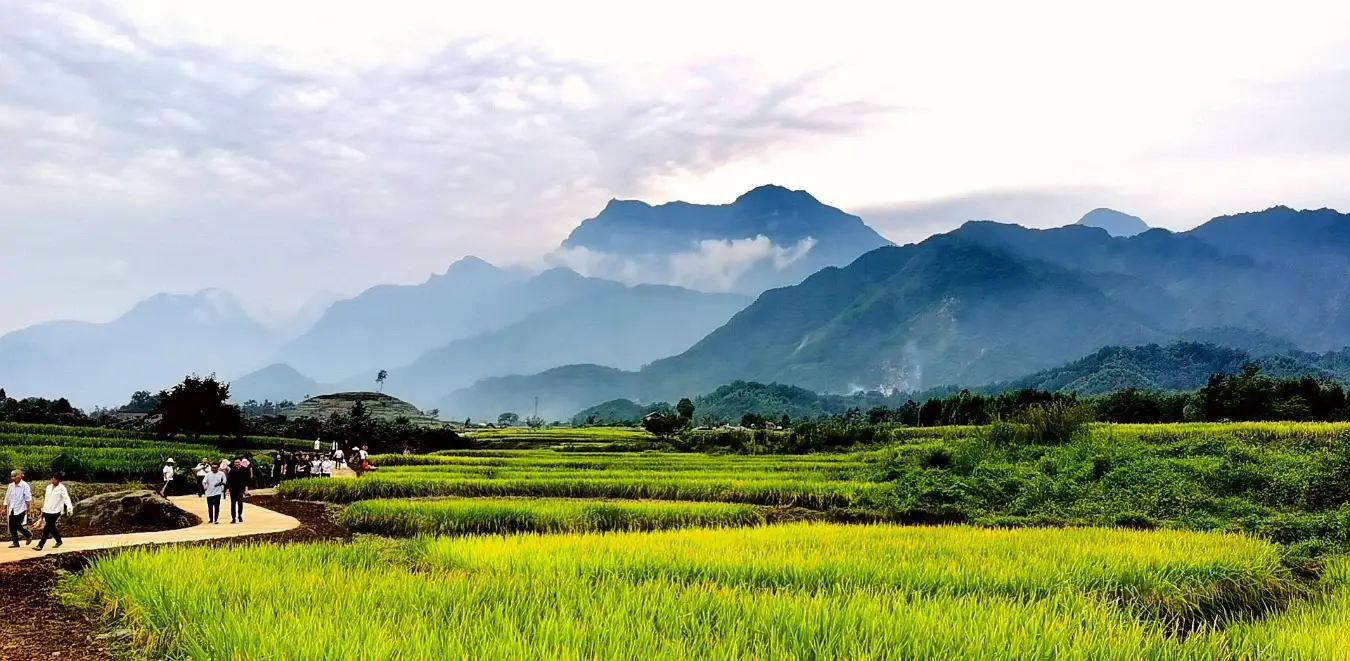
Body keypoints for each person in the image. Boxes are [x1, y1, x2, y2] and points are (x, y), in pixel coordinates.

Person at [35, 473, 73, 551]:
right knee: (51, 527)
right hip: (47, 510)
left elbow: (66, 498)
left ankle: (40, 545)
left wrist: (69, 508)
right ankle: (59, 541)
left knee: (47, 528)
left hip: (56, 511)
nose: (53, 480)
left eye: (55, 479)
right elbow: (46, 499)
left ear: (59, 480)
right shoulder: (48, 487)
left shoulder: (62, 488)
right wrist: (43, 509)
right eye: (53, 479)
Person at [5, 470, 33, 548]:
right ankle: (15, 542)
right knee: (12, 526)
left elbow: (28, 498)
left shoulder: (24, 485)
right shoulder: (11, 486)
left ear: (20, 476)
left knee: (17, 525)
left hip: (21, 508)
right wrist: (4, 507)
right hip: (12, 508)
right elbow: (7, 497)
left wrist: (28, 509)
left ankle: (28, 535)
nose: (13, 478)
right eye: (12, 476)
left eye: (15, 476)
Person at [226, 458, 250, 523]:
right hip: (233, 489)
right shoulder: (232, 470)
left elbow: (247, 480)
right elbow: (228, 480)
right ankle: (233, 518)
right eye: (235, 462)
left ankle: (239, 515)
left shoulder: (245, 470)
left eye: (238, 462)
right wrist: (227, 490)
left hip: (241, 489)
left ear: (240, 462)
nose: (237, 464)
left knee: (240, 502)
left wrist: (246, 489)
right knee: (233, 504)